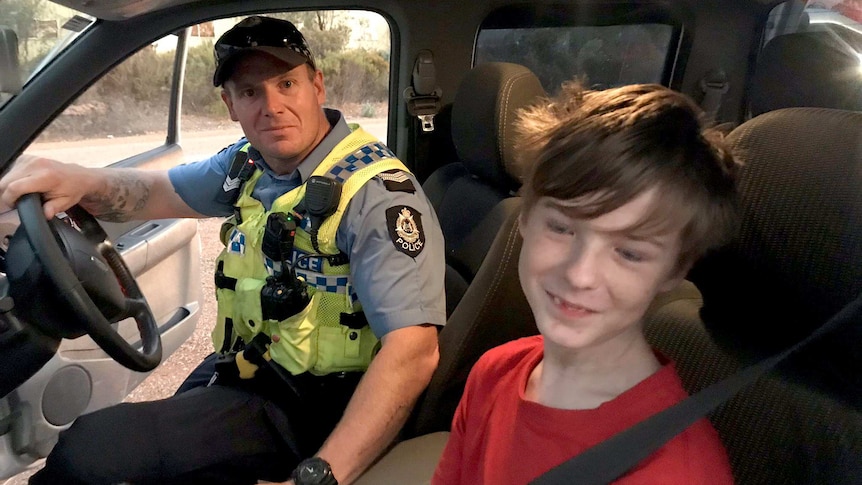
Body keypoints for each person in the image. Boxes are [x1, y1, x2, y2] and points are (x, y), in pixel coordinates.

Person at [0, 16, 445, 485]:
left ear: (317, 85)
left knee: (90, 451)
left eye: (286, 83)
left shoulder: (378, 194)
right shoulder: (249, 162)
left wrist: (318, 476)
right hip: (250, 372)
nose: (271, 107)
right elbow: (154, 192)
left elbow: (413, 350)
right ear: (229, 104)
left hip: (313, 409)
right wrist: (75, 180)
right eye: (251, 92)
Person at [431, 83, 738, 484]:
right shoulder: (495, 372)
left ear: (675, 269)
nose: (580, 274)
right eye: (561, 227)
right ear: (523, 217)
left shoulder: (674, 471)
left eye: (629, 253)